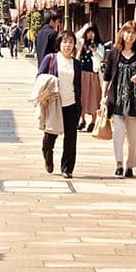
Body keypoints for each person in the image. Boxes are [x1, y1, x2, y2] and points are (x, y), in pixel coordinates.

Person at [101, 20, 136, 178]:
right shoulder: (113, 53)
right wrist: (103, 97)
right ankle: (118, 163)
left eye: (133, 33)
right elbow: (107, 76)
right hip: (116, 99)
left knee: (134, 136)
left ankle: (130, 165)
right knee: (118, 132)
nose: (130, 35)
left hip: (135, 101)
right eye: (127, 32)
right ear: (122, 33)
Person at [38, 30, 82, 178]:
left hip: (71, 103)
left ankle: (67, 168)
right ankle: (47, 154)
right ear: (59, 43)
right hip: (54, 104)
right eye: (64, 42)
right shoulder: (50, 59)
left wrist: (79, 105)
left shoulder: (76, 63)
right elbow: (39, 77)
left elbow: (78, 85)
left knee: (71, 138)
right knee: (51, 135)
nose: (67, 45)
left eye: (70, 42)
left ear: (74, 45)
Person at [75, 22, 105, 132]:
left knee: (93, 97)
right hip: (82, 74)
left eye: (92, 32)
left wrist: (95, 51)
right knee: (82, 97)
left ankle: (93, 121)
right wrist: (84, 28)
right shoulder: (82, 43)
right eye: (88, 32)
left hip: (94, 74)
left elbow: (101, 59)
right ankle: (82, 120)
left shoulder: (99, 45)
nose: (90, 34)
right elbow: (75, 37)